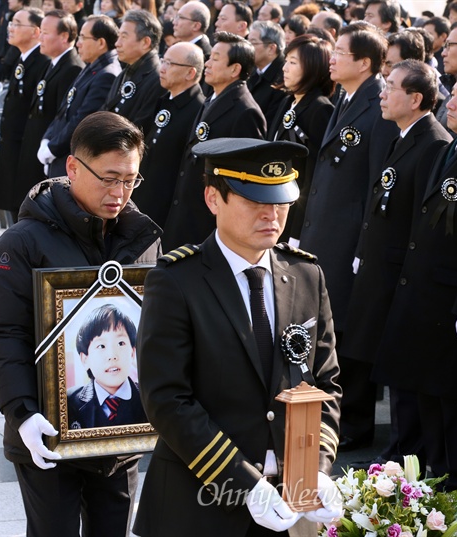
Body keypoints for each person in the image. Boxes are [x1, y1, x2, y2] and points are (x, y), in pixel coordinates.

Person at [133, 137, 342, 537]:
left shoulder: (305, 275)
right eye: (255, 202)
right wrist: (245, 485)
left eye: (281, 203)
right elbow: (167, 399)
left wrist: (317, 468)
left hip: (290, 500)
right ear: (213, 199)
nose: (272, 215)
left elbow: (325, 384)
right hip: (201, 500)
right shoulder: (176, 281)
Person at [0, 111, 162, 537]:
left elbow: (157, 330)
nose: (120, 192)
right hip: (47, 438)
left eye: (130, 180)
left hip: (120, 440)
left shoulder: (142, 237)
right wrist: (22, 412)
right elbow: (6, 333)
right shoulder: (22, 242)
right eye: (108, 178)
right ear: (72, 168)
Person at [373, 65, 457, 504]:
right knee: (426, 394)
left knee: (453, 402)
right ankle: (436, 478)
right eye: (451, 95)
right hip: (422, 293)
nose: (449, 103)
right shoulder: (450, 149)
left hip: (453, 301)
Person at [343, 59, 452, 470]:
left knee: (403, 369)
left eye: (391, 87)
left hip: (401, 274)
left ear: (416, 98)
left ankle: (407, 451)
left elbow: (420, 222)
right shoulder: (403, 134)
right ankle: (401, 449)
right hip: (380, 266)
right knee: (387, 360)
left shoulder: (433, 142)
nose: (383, 94)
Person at [298, 21, 399, 452]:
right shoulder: (346, 98)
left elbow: (378, 182)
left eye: (341, 52)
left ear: (365, 62)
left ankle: (354, 421)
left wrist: (362, 247)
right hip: (324, 233)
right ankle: (331, 415)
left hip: (349, 242)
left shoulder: (378, 104)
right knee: (327, 325)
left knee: (347, 331)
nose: (332, 58)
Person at [162, 31, 266, 251]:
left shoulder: (245, 111)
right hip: (186, 214)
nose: (207, 64)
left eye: (216, 59)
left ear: (235, 69)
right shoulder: (213, 97)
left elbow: (242, 179)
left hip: (208, 222)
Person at [268, 34, 334, 242]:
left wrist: (297, 232)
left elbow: (312, 176)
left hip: (293, 216)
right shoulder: (288, 102)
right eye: (286, 61)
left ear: (313, 68)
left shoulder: (320, 109)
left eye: (293, 63)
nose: (285, 68)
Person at [132, 41, 205, 227]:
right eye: (163, 61)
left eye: (170, 64)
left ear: (191, 73)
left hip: (166, 209)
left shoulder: (198, 110)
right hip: (144, 197)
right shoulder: (166, 100)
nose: (162, 69)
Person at [42, 14, 122, 178]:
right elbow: (64, 108)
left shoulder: (107, 74)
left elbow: (83, 119)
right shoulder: (92, 65)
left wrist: (53, 148)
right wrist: (47, 139)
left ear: (101, 43)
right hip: (60, 156)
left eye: (83, 38)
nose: (78, 43)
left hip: (72, 159)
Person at [18, 10, 84, 192]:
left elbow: (63, 117)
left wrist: (49, 149)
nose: (40, 38)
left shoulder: (72, 68)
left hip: (49, 159)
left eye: (46, 33)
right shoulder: (53, 63)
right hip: (37, 151)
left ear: (64, 37)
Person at [0, 7, 50, 220]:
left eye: (18, 24)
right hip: (13, 143)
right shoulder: (23, 56)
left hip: (25, 146)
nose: (11, 28)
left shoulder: (42, 62)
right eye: (11, 23)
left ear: (36, 31)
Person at [67, 303, 147, 429]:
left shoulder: (149, 397)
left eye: (120, 343)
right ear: (85, 359)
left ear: (132, 352)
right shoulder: (67, 402)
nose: (112, 355)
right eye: (101, 346)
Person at [101, 9, 165, 135]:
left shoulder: (158, 79)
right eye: (118, 37)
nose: (117, 44)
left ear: (145, 42)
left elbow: (139, 129)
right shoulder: (125, 72)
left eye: (124, 37)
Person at [247, 20, 286, 128]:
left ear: (271, 48)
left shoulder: (283, 79)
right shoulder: (252, 71)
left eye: (253, 43)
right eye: (247, 42)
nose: (247, 47)